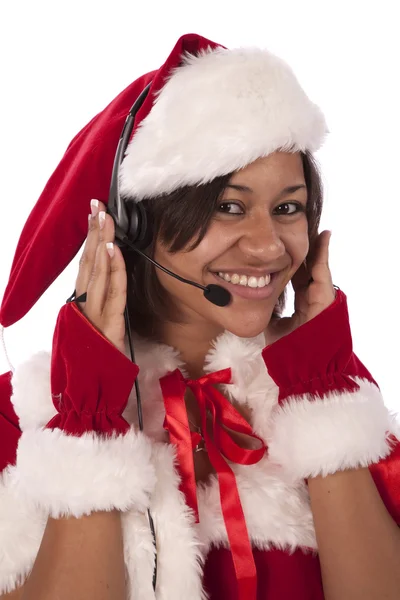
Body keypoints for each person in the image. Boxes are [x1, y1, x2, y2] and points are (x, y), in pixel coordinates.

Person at [0, 32, 399, 600]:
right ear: (134, 226)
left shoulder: (340, 397)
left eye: (287, 208)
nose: (267, 247)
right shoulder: (22, 415)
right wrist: (88, 423)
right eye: (228, 207)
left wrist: (320, 397)